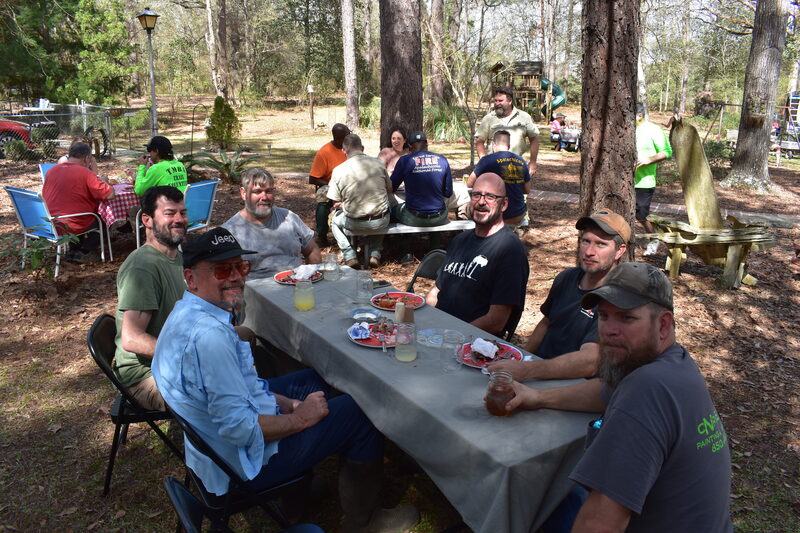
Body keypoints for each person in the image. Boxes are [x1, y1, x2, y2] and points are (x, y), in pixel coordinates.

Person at [151, 227, 419, 533]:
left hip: (212, 453)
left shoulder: (185, 312)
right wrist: (301, 418)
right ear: (191, 278)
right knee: (360, 412)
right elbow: (241, 429)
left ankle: (295, 497)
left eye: (241, 267)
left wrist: (288, 403)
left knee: (317, 380)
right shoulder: (210, 337)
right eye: (222, 270)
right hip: (240, 467)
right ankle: (365, 522)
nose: (236, 277)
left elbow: (240, 389)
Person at [504, 262, 733, 532]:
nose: (609, 330)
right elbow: (604, 392)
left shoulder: (648, 388)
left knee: (537, 492)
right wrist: (537, 397)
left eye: (626, 318)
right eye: (604, 316)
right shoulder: (674, 362)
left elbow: (599, 525)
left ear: (663, 324)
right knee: (559, 493)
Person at [488, 210, 630, 381]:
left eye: (601, 244)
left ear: (619, 251)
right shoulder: (567, 277)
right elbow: (546, 323)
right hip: (536, 372)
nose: (589, 251)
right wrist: (523, 358)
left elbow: (590, 361)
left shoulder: (616, 299)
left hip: (570, 385)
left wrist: (527, 370)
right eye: (586, 241)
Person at [113, 186, 188, 411]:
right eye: (169, 213)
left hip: (175, 358)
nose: (179, 219)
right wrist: (190, 353)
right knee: (222, 390)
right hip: (146, 375)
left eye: (182, 213)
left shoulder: (178, 257)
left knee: (246, 336)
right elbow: (132, 339)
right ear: (147, 220)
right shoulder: (142, 267)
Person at [426, 173, 528, 337]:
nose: (481, 202)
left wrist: (452, 336)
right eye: (476, 195)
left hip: (473, 342)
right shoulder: (460, 240)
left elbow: (496, 321)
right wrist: (426, 321)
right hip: (437, 333)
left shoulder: (510, 250)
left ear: (504, 204)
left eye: (490, 197)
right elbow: (436, 291)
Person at [222, 167, 321, 278]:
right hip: (256, 288)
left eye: (268, 191)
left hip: (296, 283)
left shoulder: (289, 217)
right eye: (257, 192)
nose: (264, 197)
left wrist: (313, 278)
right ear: (243, 193)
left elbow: (312, 250)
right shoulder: (229, 232)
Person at [327, 134, 392, 268]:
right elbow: (389, 189)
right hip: (380, 221)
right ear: (362, 148)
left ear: (344, 151)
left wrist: (344, 204)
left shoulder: (338, 170)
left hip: (354, 222)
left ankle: (349, 255)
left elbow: (335, 201)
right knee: (382, 210)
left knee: (334, 221)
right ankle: (375, 253)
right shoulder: (379, 163)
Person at [42, 141, 114, 261]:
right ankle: (86, 251)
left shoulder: (52, 170)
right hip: (72, 222)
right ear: (86, 159)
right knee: (104, 217)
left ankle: (74, 248)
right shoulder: (85, 173)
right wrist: (105, 182)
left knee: (78, 211)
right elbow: (110, 195)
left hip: (50, 221)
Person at [467, 130, 531, 228]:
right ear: (509, 146)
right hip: (518, 214)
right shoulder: (522, 161)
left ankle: (469, 234)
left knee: (465, 206)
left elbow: (470, 183)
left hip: (495, 215)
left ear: (493, 144)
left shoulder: (487, 160)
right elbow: (527, 190)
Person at [390, 131, 453, 227]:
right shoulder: (442, 159)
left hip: (414, 217)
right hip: (439, 217)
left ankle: (402, 237)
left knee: (392, 210)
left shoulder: (405, 160)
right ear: (426, 143)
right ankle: (435, 238)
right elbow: (448, 193)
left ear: (410, 146)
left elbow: (392, 187)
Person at [635, 103, 672, 256]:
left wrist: (649, 160)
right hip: (621, 179)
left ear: (639, 116)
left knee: (641, 215)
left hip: (644, 181)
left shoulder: (653, 129)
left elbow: (667, 151)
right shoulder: (620, 127)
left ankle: (654, 239)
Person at [475, 86, 540, 173]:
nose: (497, 103)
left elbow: (534, 139)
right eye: (495, 100)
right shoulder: (488, 118)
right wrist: (483, 161)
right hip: (493, 168)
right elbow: (479, 140)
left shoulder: (524, 117)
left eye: (500, 101)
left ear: (510, 101)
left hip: (517, 168)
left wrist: (533, 162)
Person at [309, 123, 350, 247]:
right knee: (323, 199)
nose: (349, 138)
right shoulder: (324, 152)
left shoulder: (350, 148)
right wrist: (333, 184)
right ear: (338, 138)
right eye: (347, 136)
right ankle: (322, 234)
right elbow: (313, 178)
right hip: (331, 185)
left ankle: (358, 232)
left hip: (350, 184)